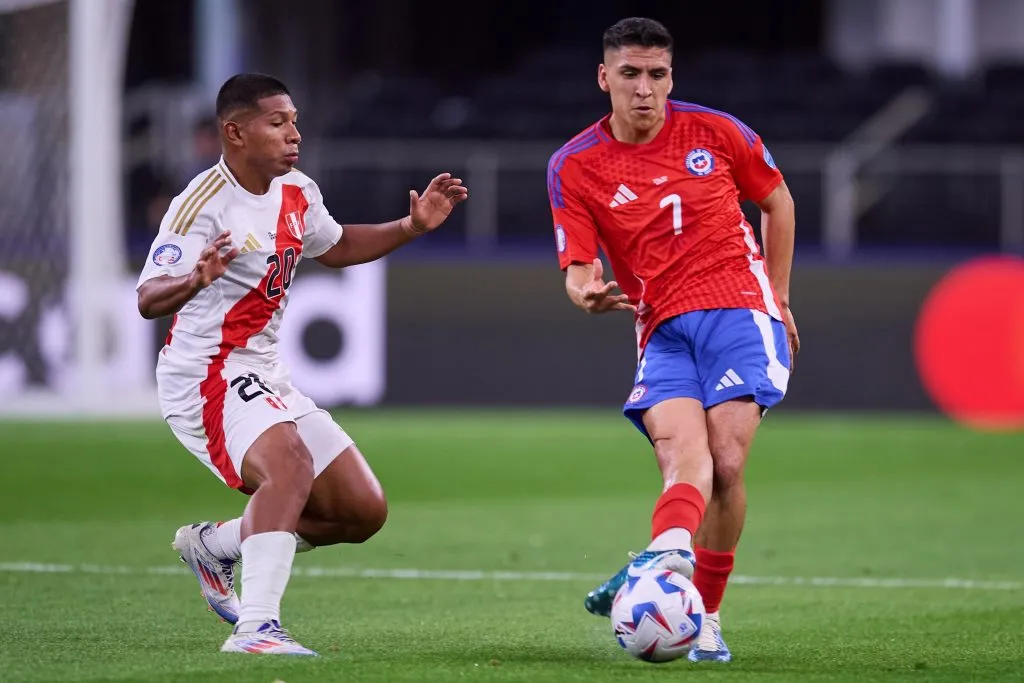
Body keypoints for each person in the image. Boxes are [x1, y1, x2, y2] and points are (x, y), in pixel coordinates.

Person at [136, 73, 468, 656]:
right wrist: (195, 278)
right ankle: (256, 630)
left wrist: (411, 226)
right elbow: (147, 298)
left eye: (294, 120)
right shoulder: (201, 205)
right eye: (278, 122)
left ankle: (216, 545)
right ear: (234, 132)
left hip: (264, 372)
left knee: (360, 512)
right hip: (206, 375)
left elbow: (334, 247)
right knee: (287, 464)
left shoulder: (296, 189)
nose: (295, 133)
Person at [545, 18, 798, 662]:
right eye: (629, 74)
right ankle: (661, 567)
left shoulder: (718, 132)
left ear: (671, 77)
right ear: (604, 78)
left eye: (656, 74)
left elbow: (778, 202)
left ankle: (703, 614)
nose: (644, 89)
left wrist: (780, 294)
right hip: (658, 327)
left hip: (739, 309)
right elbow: (578, 268)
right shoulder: (575, 165)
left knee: (728, 462)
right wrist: (585, 294)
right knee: (686, 461)